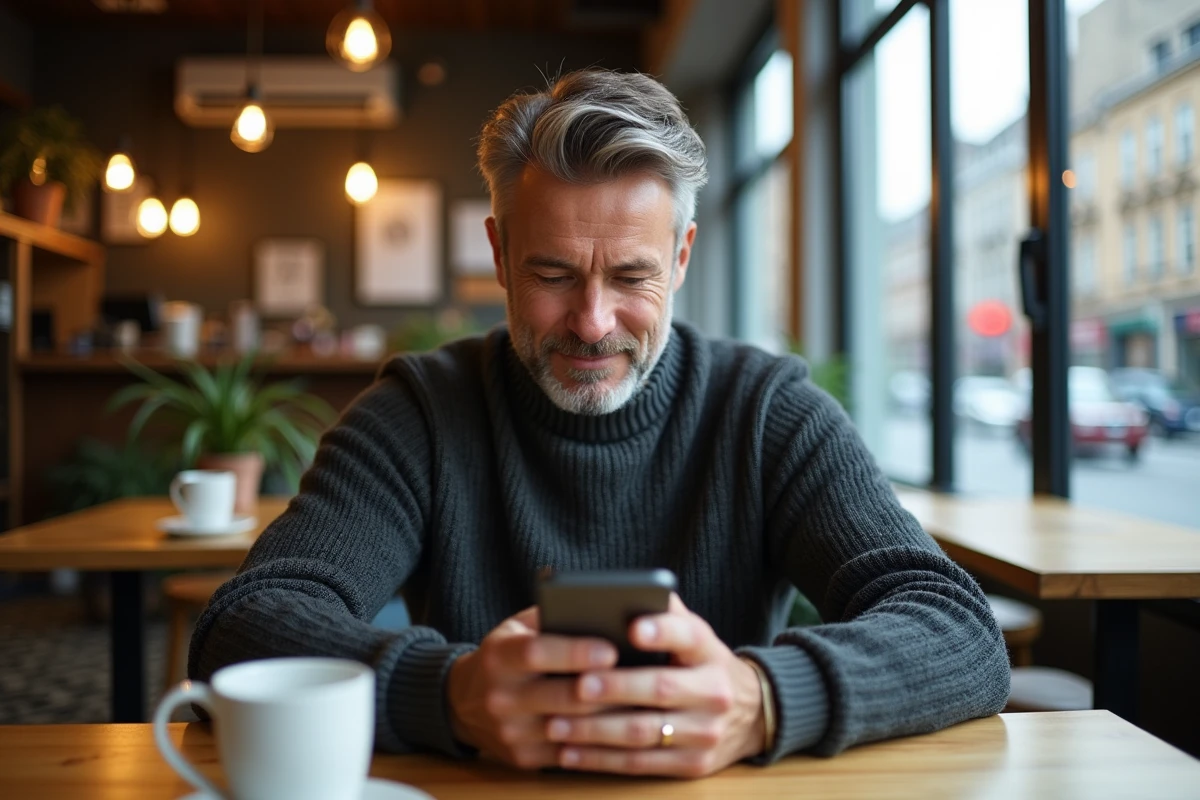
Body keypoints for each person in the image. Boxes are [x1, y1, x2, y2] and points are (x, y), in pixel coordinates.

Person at [190, 68, 1009, 779]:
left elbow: (956, 628)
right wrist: (449, 694)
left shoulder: (767, 413)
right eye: (552, 273)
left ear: (682, 257)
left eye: (630, 275)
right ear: (502, 255)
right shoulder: (420, 413)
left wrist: (761, 699)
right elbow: (241, 626)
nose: (590, 322)